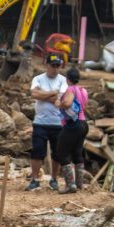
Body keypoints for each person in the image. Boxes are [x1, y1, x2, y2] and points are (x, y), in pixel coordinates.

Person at [27, 53, 68, 191]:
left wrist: (43, 94)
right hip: (40, 122)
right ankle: (34, 179)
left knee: (57, 153)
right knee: (37, 152)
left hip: (57, 122)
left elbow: (61, 98)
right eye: (53, 66)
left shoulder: (63, 80)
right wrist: (52, 93)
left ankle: (54, 179)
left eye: (58, 66)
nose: (55, 69)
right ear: (47, 65)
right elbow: (33, 94)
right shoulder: (38, 79)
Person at [56, 67, 89, 194]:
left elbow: (68, 102)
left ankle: (70, 185)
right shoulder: (83, 90)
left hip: (73, 124)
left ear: (67, 79)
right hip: (83, 123)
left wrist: (60, 103)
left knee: (62, 152)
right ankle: (80, 184)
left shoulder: (70, 89)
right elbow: (84, 106)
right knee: (77, 152)